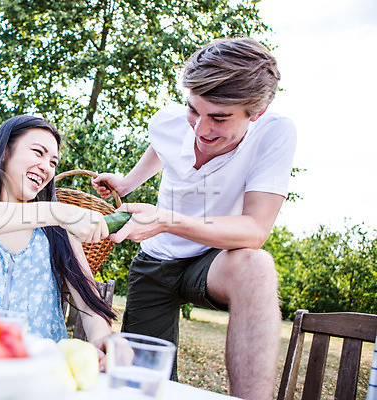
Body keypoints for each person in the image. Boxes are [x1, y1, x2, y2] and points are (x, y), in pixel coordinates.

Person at [92, 37, 296, 399]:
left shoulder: (275, 133)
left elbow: (255, 229)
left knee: (256, 266)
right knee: (137, 383)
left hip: (213, 255)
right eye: (193, 110)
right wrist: (127, 182)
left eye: (219, 117)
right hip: (156, 259)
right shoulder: (171, 122)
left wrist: (167, 220)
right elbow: (162, 145)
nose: (200, 130)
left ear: (257, 111)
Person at [0, 115, 114, 349]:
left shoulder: (57, 231)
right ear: (5, 151)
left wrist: (105, 340)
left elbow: (89, 305)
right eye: (38, 152)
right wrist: (55, 211)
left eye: (53, 162)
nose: (47, 167)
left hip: (40, 373)